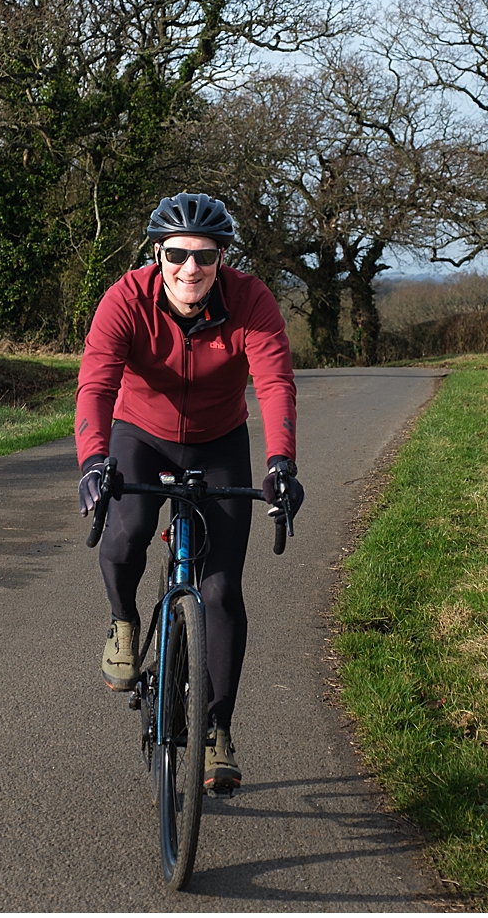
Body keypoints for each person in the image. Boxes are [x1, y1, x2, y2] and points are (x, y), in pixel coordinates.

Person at [76, 193, 305, 790]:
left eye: (205, 256)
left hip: (219, 439)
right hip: (140, 434)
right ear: (158, 253)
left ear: (221, 257)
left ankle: (215, 733)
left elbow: (275, 382)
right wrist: (93, 462)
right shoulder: (126, 298)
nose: (190, 269)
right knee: (125, 530)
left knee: (223, 589)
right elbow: (96, 385)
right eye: (177, 254)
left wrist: (281, 464)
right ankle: (124, 623)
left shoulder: (251, 300)